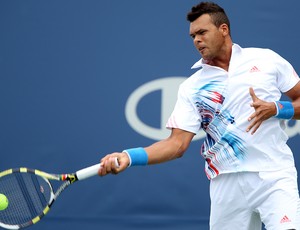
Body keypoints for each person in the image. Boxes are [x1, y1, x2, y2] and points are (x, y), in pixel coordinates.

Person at [99, 2, 300, 229]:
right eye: (193, 35)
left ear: (223, 29)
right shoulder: (192, 87)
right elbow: (176, 145)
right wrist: (129, 157)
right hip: (226, 184)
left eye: (202, 32)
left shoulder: (266, 60)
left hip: (273, 174)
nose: (196, 40)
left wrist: (278, 109)